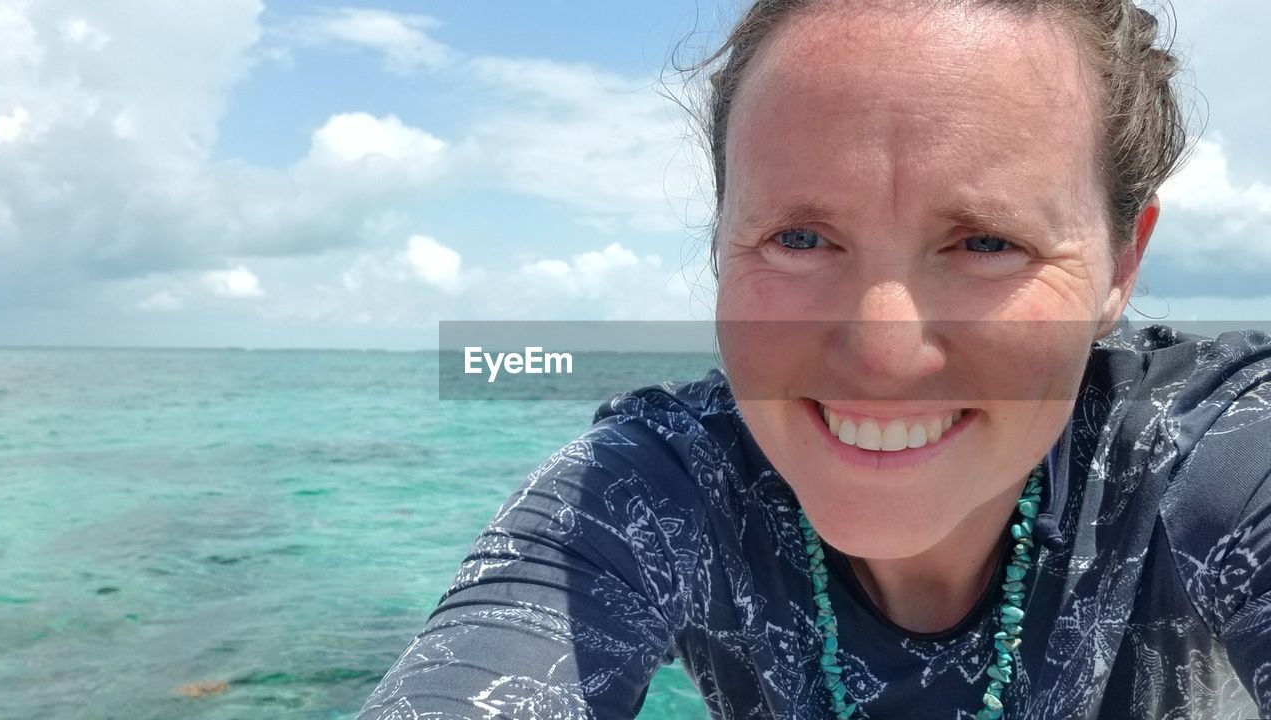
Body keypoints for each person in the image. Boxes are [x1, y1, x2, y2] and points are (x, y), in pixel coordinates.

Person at [357, 0, 1271, 718]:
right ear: (722, 241)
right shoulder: (660, 488)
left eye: (987, 242)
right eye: (800, 236)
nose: (881, 353)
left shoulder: (1206, 451)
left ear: (1124, 264)